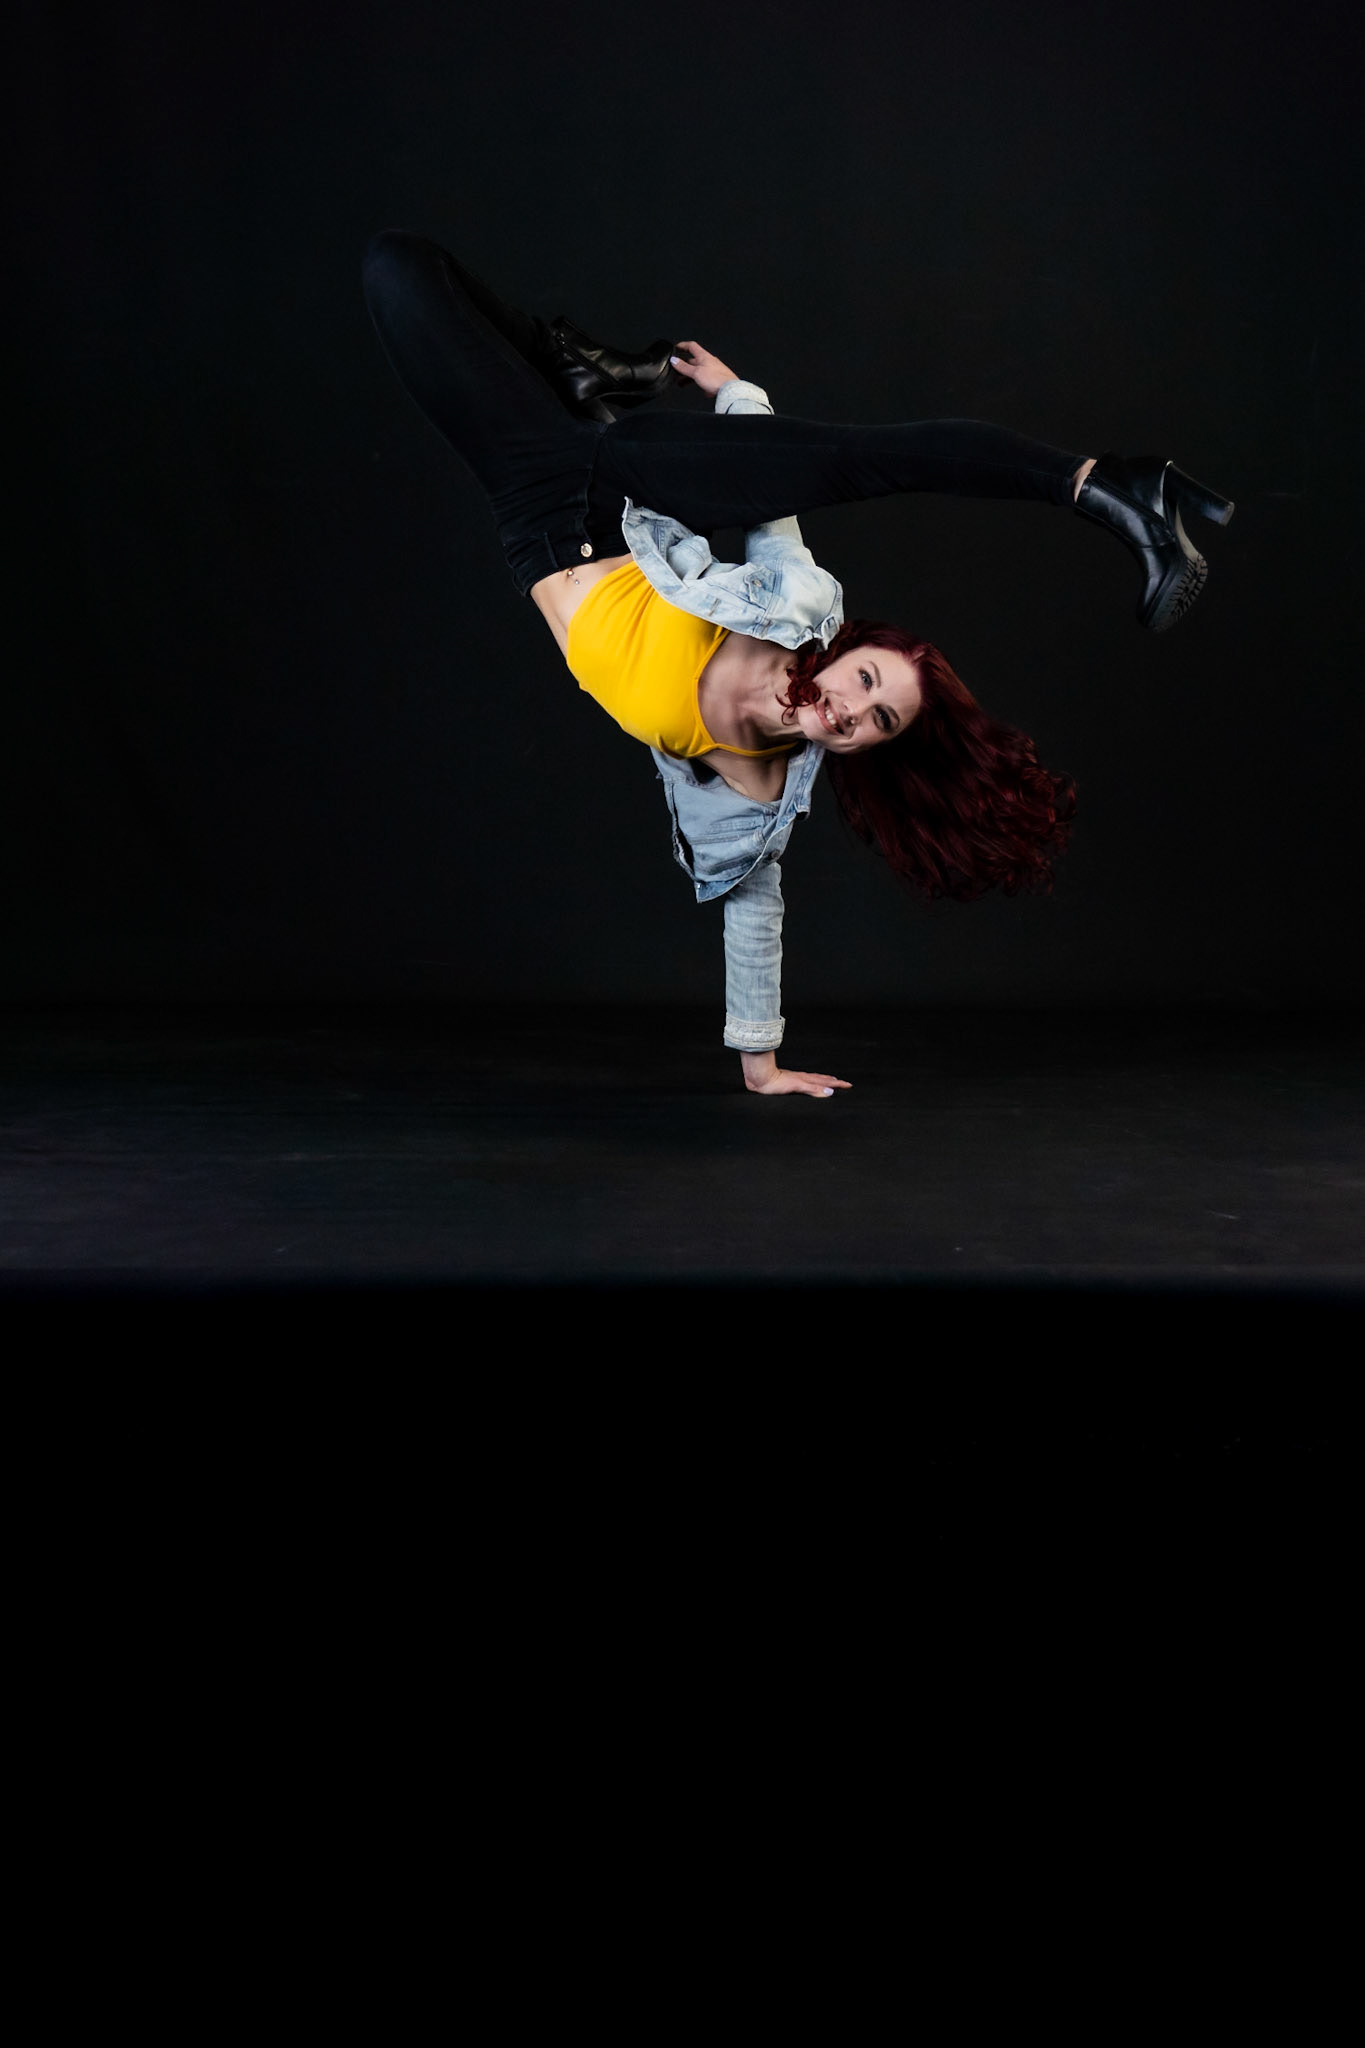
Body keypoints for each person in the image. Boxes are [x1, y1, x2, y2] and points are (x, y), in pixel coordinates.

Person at [361, 230, 1234, 1098]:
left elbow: (753, 913)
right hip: (617, 490)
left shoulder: (752, 791)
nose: (851, 707)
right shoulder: (797, 612)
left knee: (398, 274)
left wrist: (762, 1065)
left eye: (877, 719)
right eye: (867, 680)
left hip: (529, 512)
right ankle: (1105, 486)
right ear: (849, 653)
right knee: (859, 460)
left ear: (869, 748)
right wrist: (737, 394)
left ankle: (582, 367)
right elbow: (770, 499)